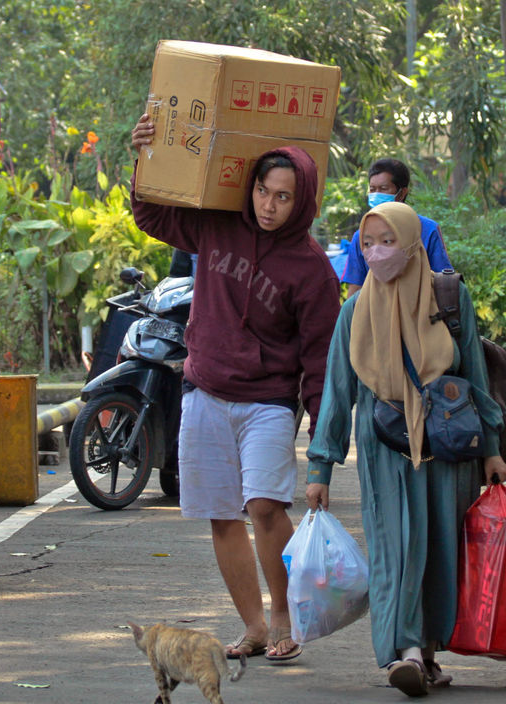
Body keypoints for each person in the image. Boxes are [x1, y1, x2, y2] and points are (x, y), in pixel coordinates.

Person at [130, 114, 341, 662]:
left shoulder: (313, 269)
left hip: (268, 401)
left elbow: (320, 359)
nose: (270, 206)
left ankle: (282, 613)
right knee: (222, 514)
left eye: (284, 198)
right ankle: (251, 627)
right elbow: (151, 212)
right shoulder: (216, 225)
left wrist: (322, 444)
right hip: (204, 389)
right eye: (263, 192)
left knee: (264, 506)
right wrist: (145, 155)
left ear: (303, 202)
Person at [305, 201, 506, 696]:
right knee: (395, 548)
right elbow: (337, 391)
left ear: (413, 242)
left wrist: (493, 449)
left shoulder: (451, 297)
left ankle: (429, 652)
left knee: (440, 546)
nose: (377, 253)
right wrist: (320, 467)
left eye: (387, 242)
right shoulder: (354, 312)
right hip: (384, 447)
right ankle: (407, 650)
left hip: (448, 444)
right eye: (367, 244)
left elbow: (476, 378)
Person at [342, 158, 451, 296]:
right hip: (377, 312)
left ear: (402, 193)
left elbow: (442, 281)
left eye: (383, 189)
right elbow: (355, 288)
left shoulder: (427, 230)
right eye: (372, 189)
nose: (376, 195)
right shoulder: (362, 236)